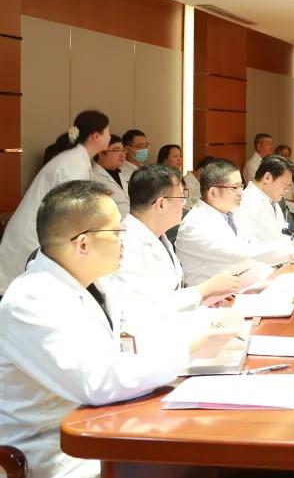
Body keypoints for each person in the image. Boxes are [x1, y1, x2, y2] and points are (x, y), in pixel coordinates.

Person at [0, 180, 234, 478]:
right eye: (116, 231)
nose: (125, 238)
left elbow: (141, 323)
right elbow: (96, 382)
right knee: (202, 458)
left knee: (207, 440)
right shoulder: (32, 300)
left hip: (103, 421)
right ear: (83, 244)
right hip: (59, 450)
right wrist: (188, 350)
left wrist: (205, 325)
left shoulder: (92, 284)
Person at [96, 164, 240, 325]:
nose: (184, 204)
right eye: (181, 198)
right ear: (162, 204)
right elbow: (140, 312)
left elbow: (169, 294)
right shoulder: (125, 245)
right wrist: (205, 290)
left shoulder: (158, 236)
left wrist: (204, 300)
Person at [0, 110, 111, 294]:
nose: (109, 137)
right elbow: (72, 210)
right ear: (96, 136)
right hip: (33, 237)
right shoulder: (73, 163)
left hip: (42, 233)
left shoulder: (77, 159)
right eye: (107, 132)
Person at [176, 158, 293, 284]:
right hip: (211, 292)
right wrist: (291, 252)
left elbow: (252, 245)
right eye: (234, 187)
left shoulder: (231, 214)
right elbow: (240, 254)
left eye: (241, 186)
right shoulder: (195, 224)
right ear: (213, 192)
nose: (241, 192)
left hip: (239, 284)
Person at [236, 155, 294, 243]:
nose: (287, 190)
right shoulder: (248, 202)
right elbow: (251, 245)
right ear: (267, 178)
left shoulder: (271, 199)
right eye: (285, 185)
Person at [91, 134, 130, 218]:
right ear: (101, 153)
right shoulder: (93, 177)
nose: (122, 154)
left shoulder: (118, 173)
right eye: (116, 150)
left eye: (123, 150)